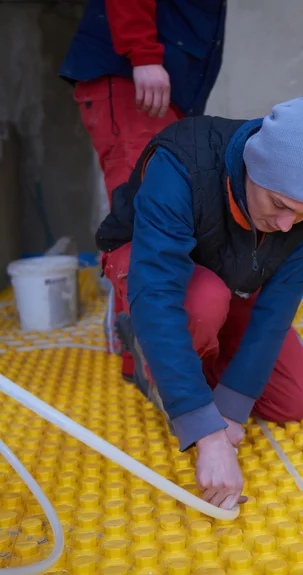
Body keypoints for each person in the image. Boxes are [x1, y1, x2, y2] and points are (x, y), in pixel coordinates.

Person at [95, 94, 303, 510]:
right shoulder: (181, 163)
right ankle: (147, 349)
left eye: (302, 214)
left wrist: (232, 409)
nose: (288, 225)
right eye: (279, 205)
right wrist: (208, 433)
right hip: (149, 266)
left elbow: (278, 305)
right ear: (252, 167)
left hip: (228, 275)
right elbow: (159, 291)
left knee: (294, 400)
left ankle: (186, 364)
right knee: (201, 302)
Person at [59, 0, 227, 380]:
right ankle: (158, 370)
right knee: (142, 228)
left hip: (159, 90)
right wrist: (143, 54)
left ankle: (146, 361)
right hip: (137, 80)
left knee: (156, 226)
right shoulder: (144, 60)